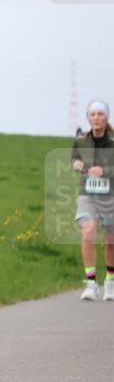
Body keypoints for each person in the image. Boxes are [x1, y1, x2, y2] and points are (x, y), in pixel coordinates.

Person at [71, 100, 114, 301]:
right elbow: (74, 158)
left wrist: (105, 171)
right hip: (87, 193)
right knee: (88, 232)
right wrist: (76, 164)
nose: (96, 118)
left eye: (100, 114)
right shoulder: (81, 141)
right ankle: (91, 282)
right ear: (88, 117)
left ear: (107, 118)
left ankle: (110, 281)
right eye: (93, 114)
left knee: (110, 241)